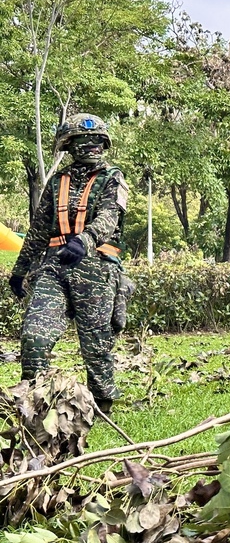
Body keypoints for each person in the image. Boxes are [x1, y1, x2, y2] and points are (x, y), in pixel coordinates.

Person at [7, 114, 129, 415]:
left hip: (97, 270)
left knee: (96, 343)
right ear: (70, 145)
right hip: (54, 269)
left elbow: (109, 217)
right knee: (34, 335)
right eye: (85, 141)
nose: (93, 146)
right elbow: (38, 229)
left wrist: (84, 240)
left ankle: (102, 404)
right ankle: (34, 400)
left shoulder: (112, 178)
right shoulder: (57, 182)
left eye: (98, 141)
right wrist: (20, 270)